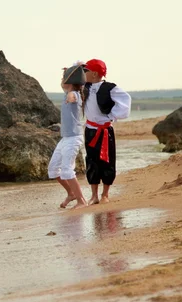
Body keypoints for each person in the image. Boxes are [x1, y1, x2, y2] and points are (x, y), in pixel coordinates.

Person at [82, 59, 131, 204]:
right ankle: (94, 195)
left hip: (105, 131)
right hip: (90, 130)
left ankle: (105, 194)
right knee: (91, 161)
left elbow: (125, 101)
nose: (84, 73)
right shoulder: (85, 87)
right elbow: (68, 80)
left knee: (107, 161)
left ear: (95, 73)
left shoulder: (110, 88)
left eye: (86, 71)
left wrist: (111, 116)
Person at [48, 62, 88, 209]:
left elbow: (73, 96)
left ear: (70, 82)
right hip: (65, 138)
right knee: (53, 169)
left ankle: (81, 201)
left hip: (74, 138)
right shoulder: (68, 92)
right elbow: (68, 89)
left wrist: (71, 95)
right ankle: (71, 193)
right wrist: (71, 70)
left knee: (67, 170)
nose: (61, 81)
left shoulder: (74, 94)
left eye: (63, 79)